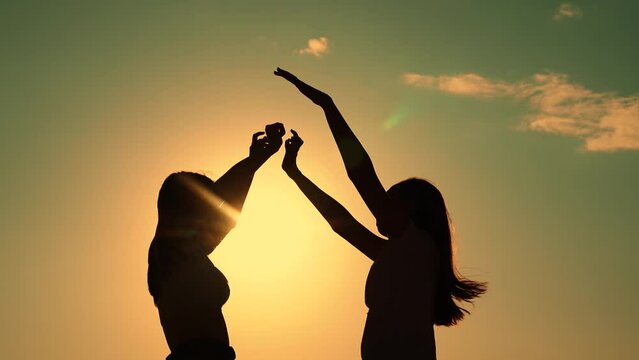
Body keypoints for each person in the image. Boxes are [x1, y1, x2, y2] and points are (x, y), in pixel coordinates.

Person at [276, 68, 486, 359]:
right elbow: (343, 224)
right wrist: (295, 174)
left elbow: (361, 175)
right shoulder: (399, 253)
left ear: (409, 208)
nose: (380, 205)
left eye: (389, 199)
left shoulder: (419, 247)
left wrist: (328, 106)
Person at [147, 123, 285, 360]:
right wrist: (253, 161)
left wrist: (256, 161)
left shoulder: (189, 251)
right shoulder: (166, 249)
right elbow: (217, 200)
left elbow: (227, 216)